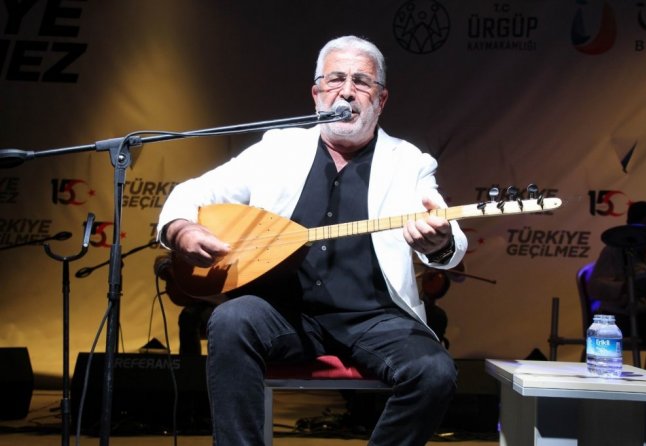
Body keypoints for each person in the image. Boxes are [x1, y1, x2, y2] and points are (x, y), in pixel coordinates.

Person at [157, 35, 467, 445]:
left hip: (374, 317)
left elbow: (446, 229)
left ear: (381, 100)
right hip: (283, 313)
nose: (347, 91)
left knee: (434, 372)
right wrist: (182, 229)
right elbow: (194, 191)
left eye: (361, 82)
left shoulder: (408, 162)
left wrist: (439, 243)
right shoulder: (278, 148)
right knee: (231, 320)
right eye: (335, 79)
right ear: (317, 94)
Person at [588, 200, 646, 375]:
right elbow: (595, 287)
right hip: (622, 316)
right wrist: (626, 288)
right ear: (635, 226)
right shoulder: (614, 251)